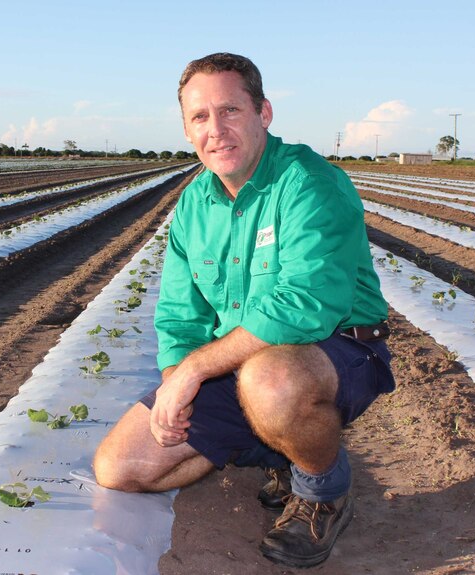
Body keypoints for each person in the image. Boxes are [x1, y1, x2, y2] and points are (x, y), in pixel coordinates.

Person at [92, 52, 395, 569]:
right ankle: (279, 449)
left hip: (340, 350)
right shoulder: (192, 206)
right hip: (240, 361)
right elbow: (179, 317)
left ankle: (323, 490)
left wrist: (196, 369)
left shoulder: (307, 182)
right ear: (187, 130)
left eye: (230, 110)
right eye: (200, 117)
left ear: (264, 113)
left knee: (270, 383)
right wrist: (176, 385)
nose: (216, 130)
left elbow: (309, 302)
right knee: (119, 467)